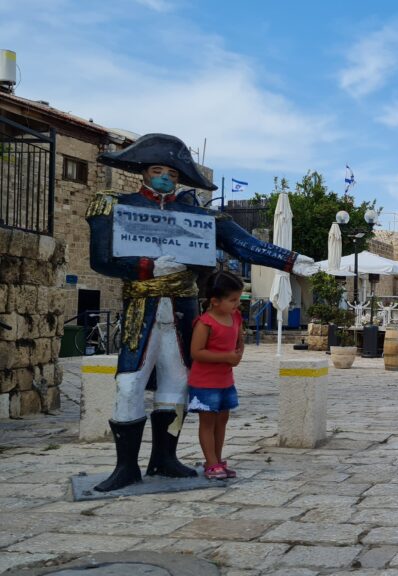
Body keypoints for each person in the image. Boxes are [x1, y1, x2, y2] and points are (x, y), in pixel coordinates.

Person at [86, 133, 318, 492]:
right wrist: (147, 267)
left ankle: (165, 459)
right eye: (158, 170)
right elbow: (101, 259)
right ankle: (125, 467)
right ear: (143, 171)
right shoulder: (115, 205)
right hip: (141, 309)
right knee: (129, 384)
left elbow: (245, 245)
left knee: (176, 386)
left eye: (173, 173)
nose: (165, 177)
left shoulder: (199, 216)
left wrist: (289, 260)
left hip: (181, 309)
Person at [189, 271, 245, 479]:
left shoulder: (235, 317)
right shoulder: (205, 323)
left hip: (225, 381)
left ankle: (218, 459)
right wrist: (226, 357)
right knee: (208, 422)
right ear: (214, 301)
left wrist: (238, 354)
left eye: (237, 299)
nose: (236, 304)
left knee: (222, 420)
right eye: (232, 300)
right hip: (205, 382)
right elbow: (196, 352)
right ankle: (210, 462)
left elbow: (239, 340)